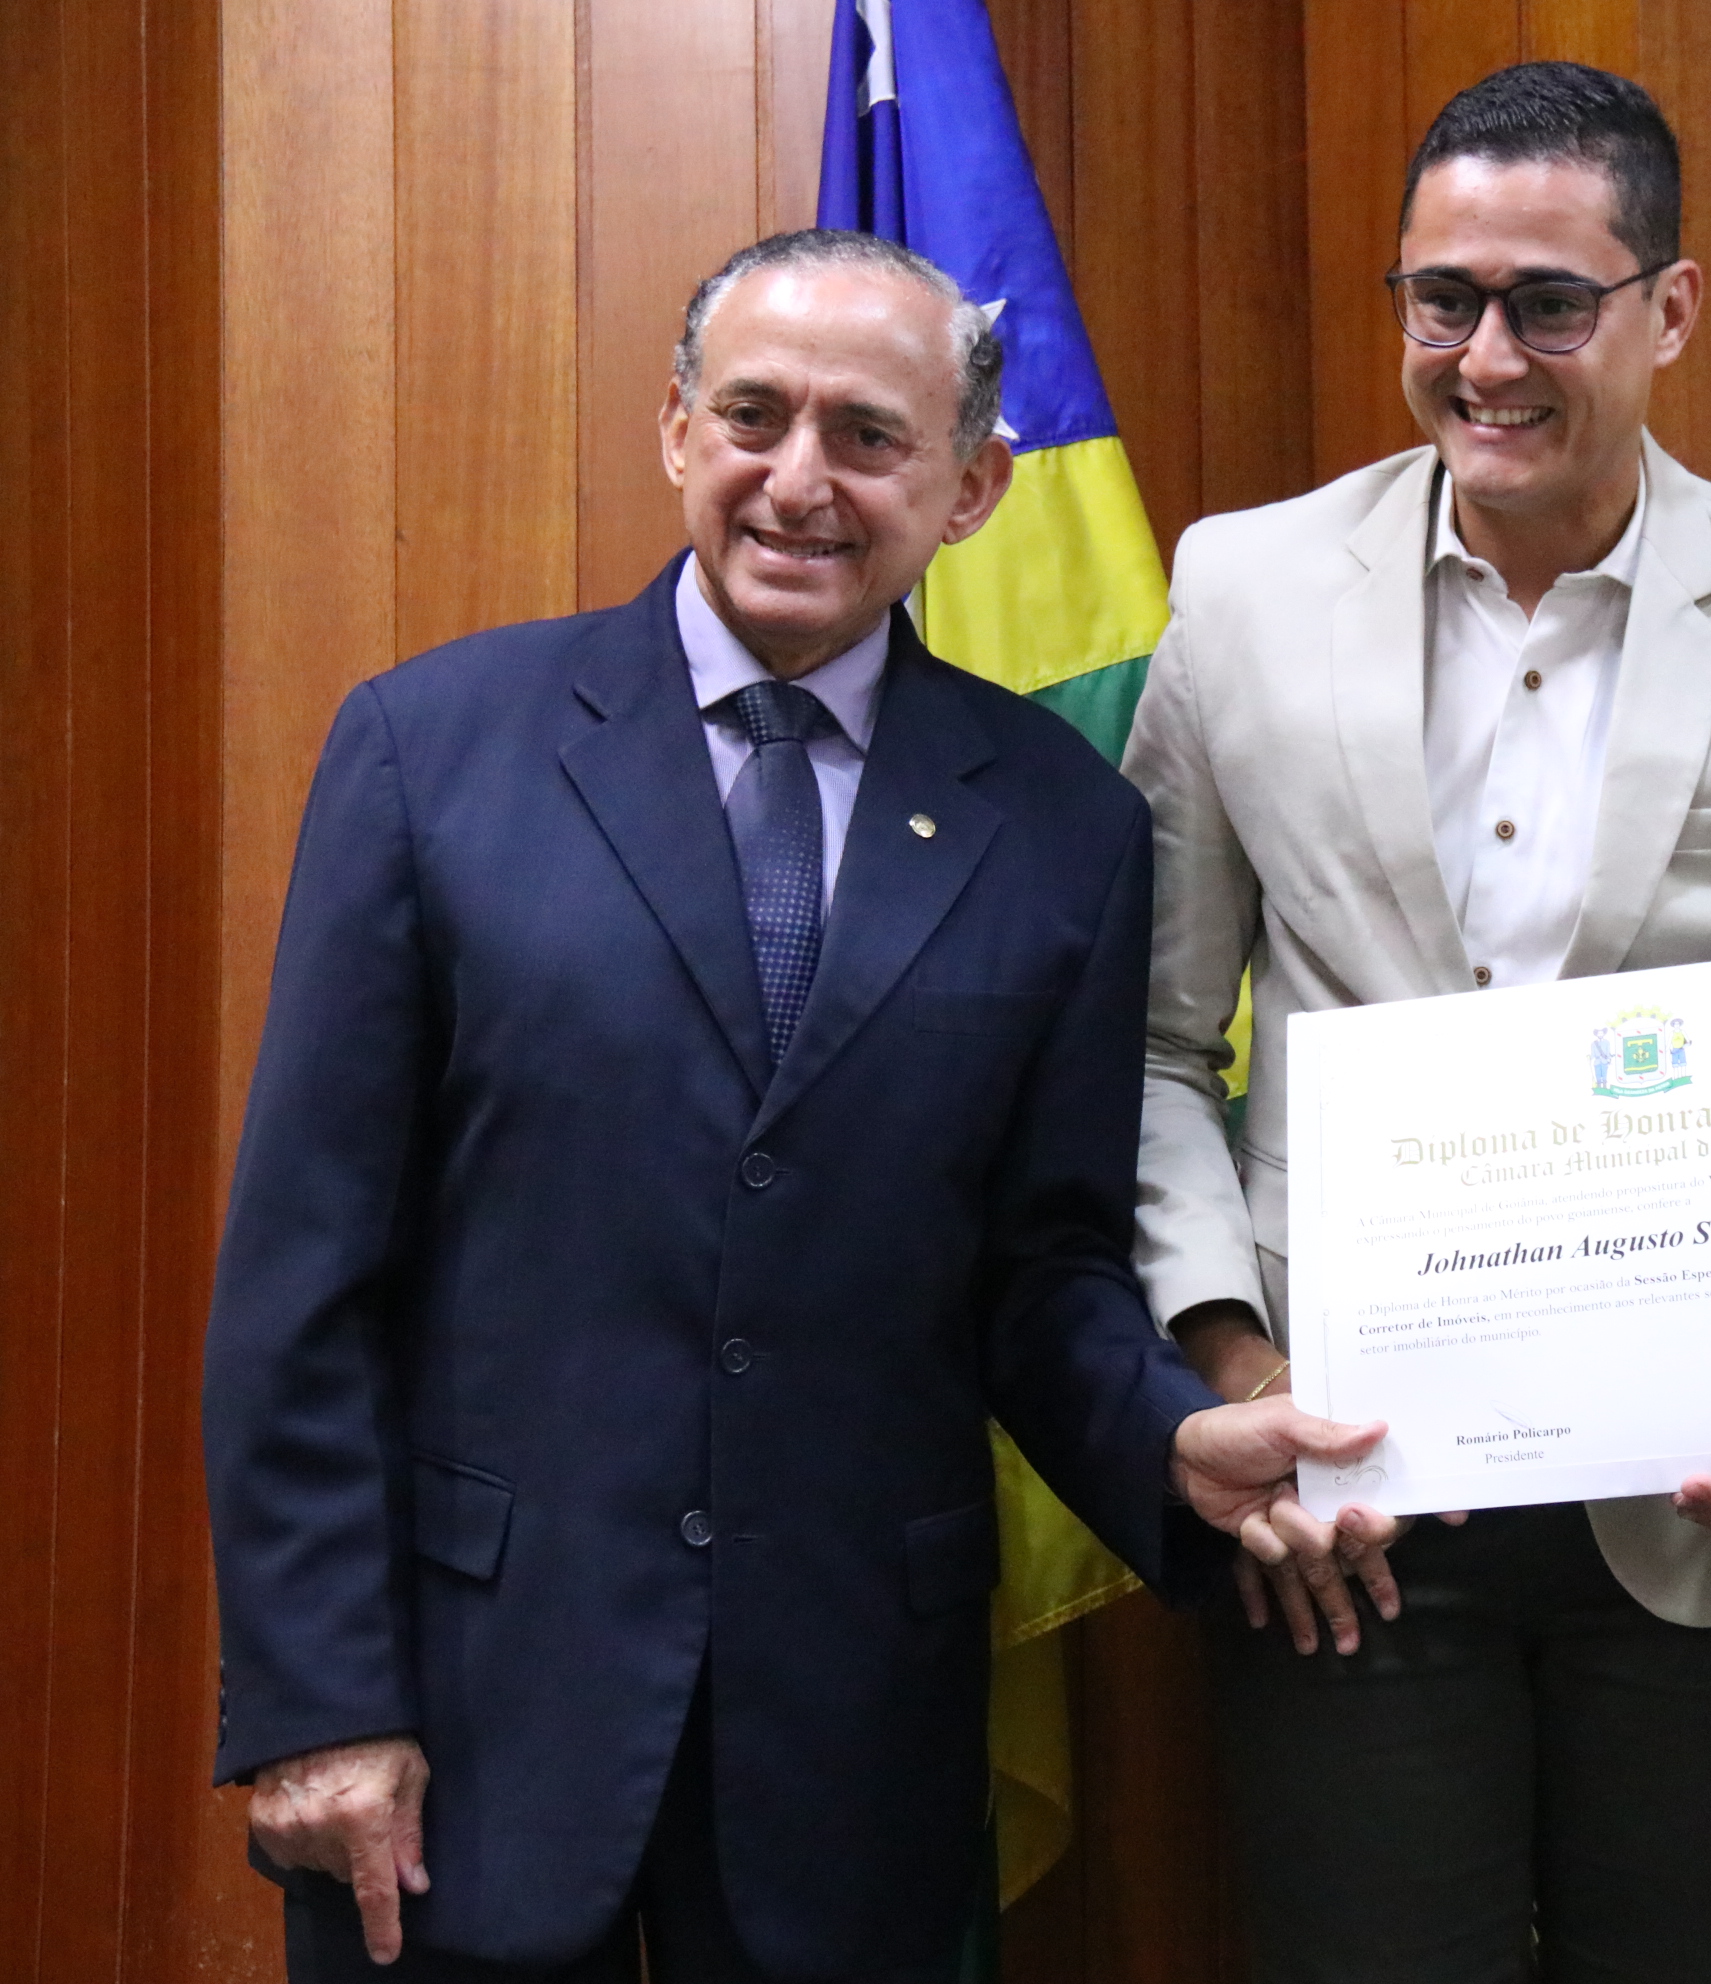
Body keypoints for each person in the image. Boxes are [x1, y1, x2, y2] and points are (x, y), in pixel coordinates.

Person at [202, 229, 1379, 1984]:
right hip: (471, 1713)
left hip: (849, 1735)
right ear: (677, 429)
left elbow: (1042, 1267)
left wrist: (1163, 1439)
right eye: (754, 416)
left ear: (973, 490)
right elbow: (305, 1280)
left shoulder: (1061, 825)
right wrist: (317, 1701)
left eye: (869, 435)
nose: (799, 480)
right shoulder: (429, 751)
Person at [1122, 61, 1711, 1984]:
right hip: (1344, 1502)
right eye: (1443, 300)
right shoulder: (1242, 591)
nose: (1487, 358)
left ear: (1669, 311)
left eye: (1548, 304)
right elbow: (1154, 1050)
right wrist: (1237, 1370)